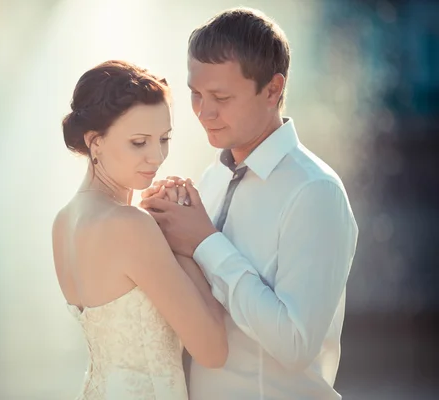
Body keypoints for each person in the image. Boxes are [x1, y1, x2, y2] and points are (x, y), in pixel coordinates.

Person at [140, 8, 359, 400]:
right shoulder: (212, 178)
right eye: (196, 94)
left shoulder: (315, 192)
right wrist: (160, 231)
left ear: (273, 89)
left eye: (221, 97)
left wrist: (205, 243)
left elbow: (295, 344)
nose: (204, 113)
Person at [51, 60, 228, 400]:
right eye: (138, 142)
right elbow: (213, 350)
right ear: (95, 142)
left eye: (164, 138)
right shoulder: (131, 225)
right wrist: (187, 243)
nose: (157, 156)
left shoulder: (63, 221)